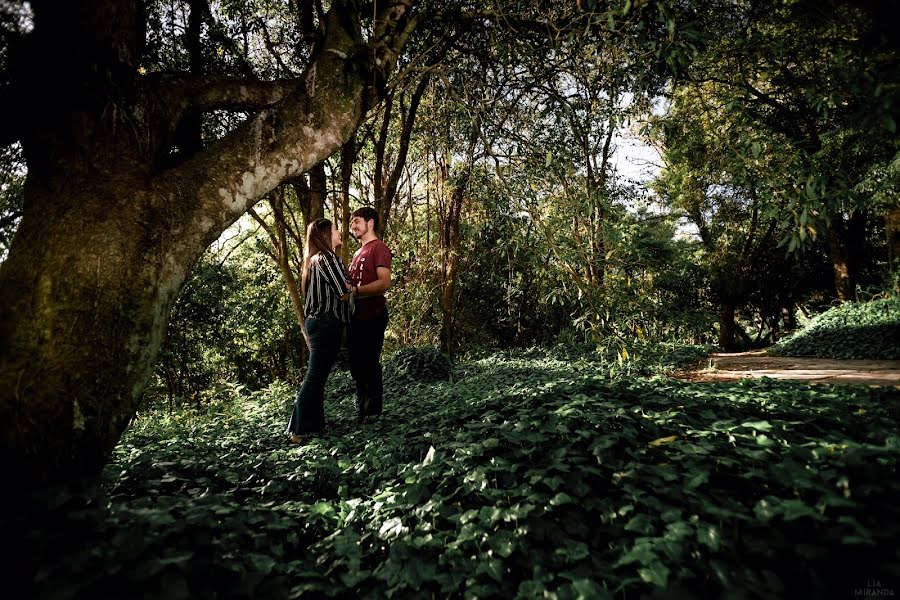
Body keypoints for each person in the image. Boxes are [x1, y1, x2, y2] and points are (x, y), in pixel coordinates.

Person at [286, 218, 352, 445]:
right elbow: (343, 291)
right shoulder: (328, 258)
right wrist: (354, 288)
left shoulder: (313, 261)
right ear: (325, 234)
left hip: (317, 323)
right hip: (325, 323)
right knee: (315, 377)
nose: (339, 232)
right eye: (335, 229)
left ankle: (314, 425)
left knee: (319, 377)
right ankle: (298, 430)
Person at [347, 207, 392, 423]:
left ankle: (373, 412)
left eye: (356, 221)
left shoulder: (379, 248)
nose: (353, 227)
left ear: (370, 222)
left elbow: (384, 282)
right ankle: (362, 411)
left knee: (369, 362)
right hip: (355, 317)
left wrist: (355, 292)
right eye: (351, 223)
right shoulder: (357, 253)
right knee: (356, 365)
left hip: (373, 314)